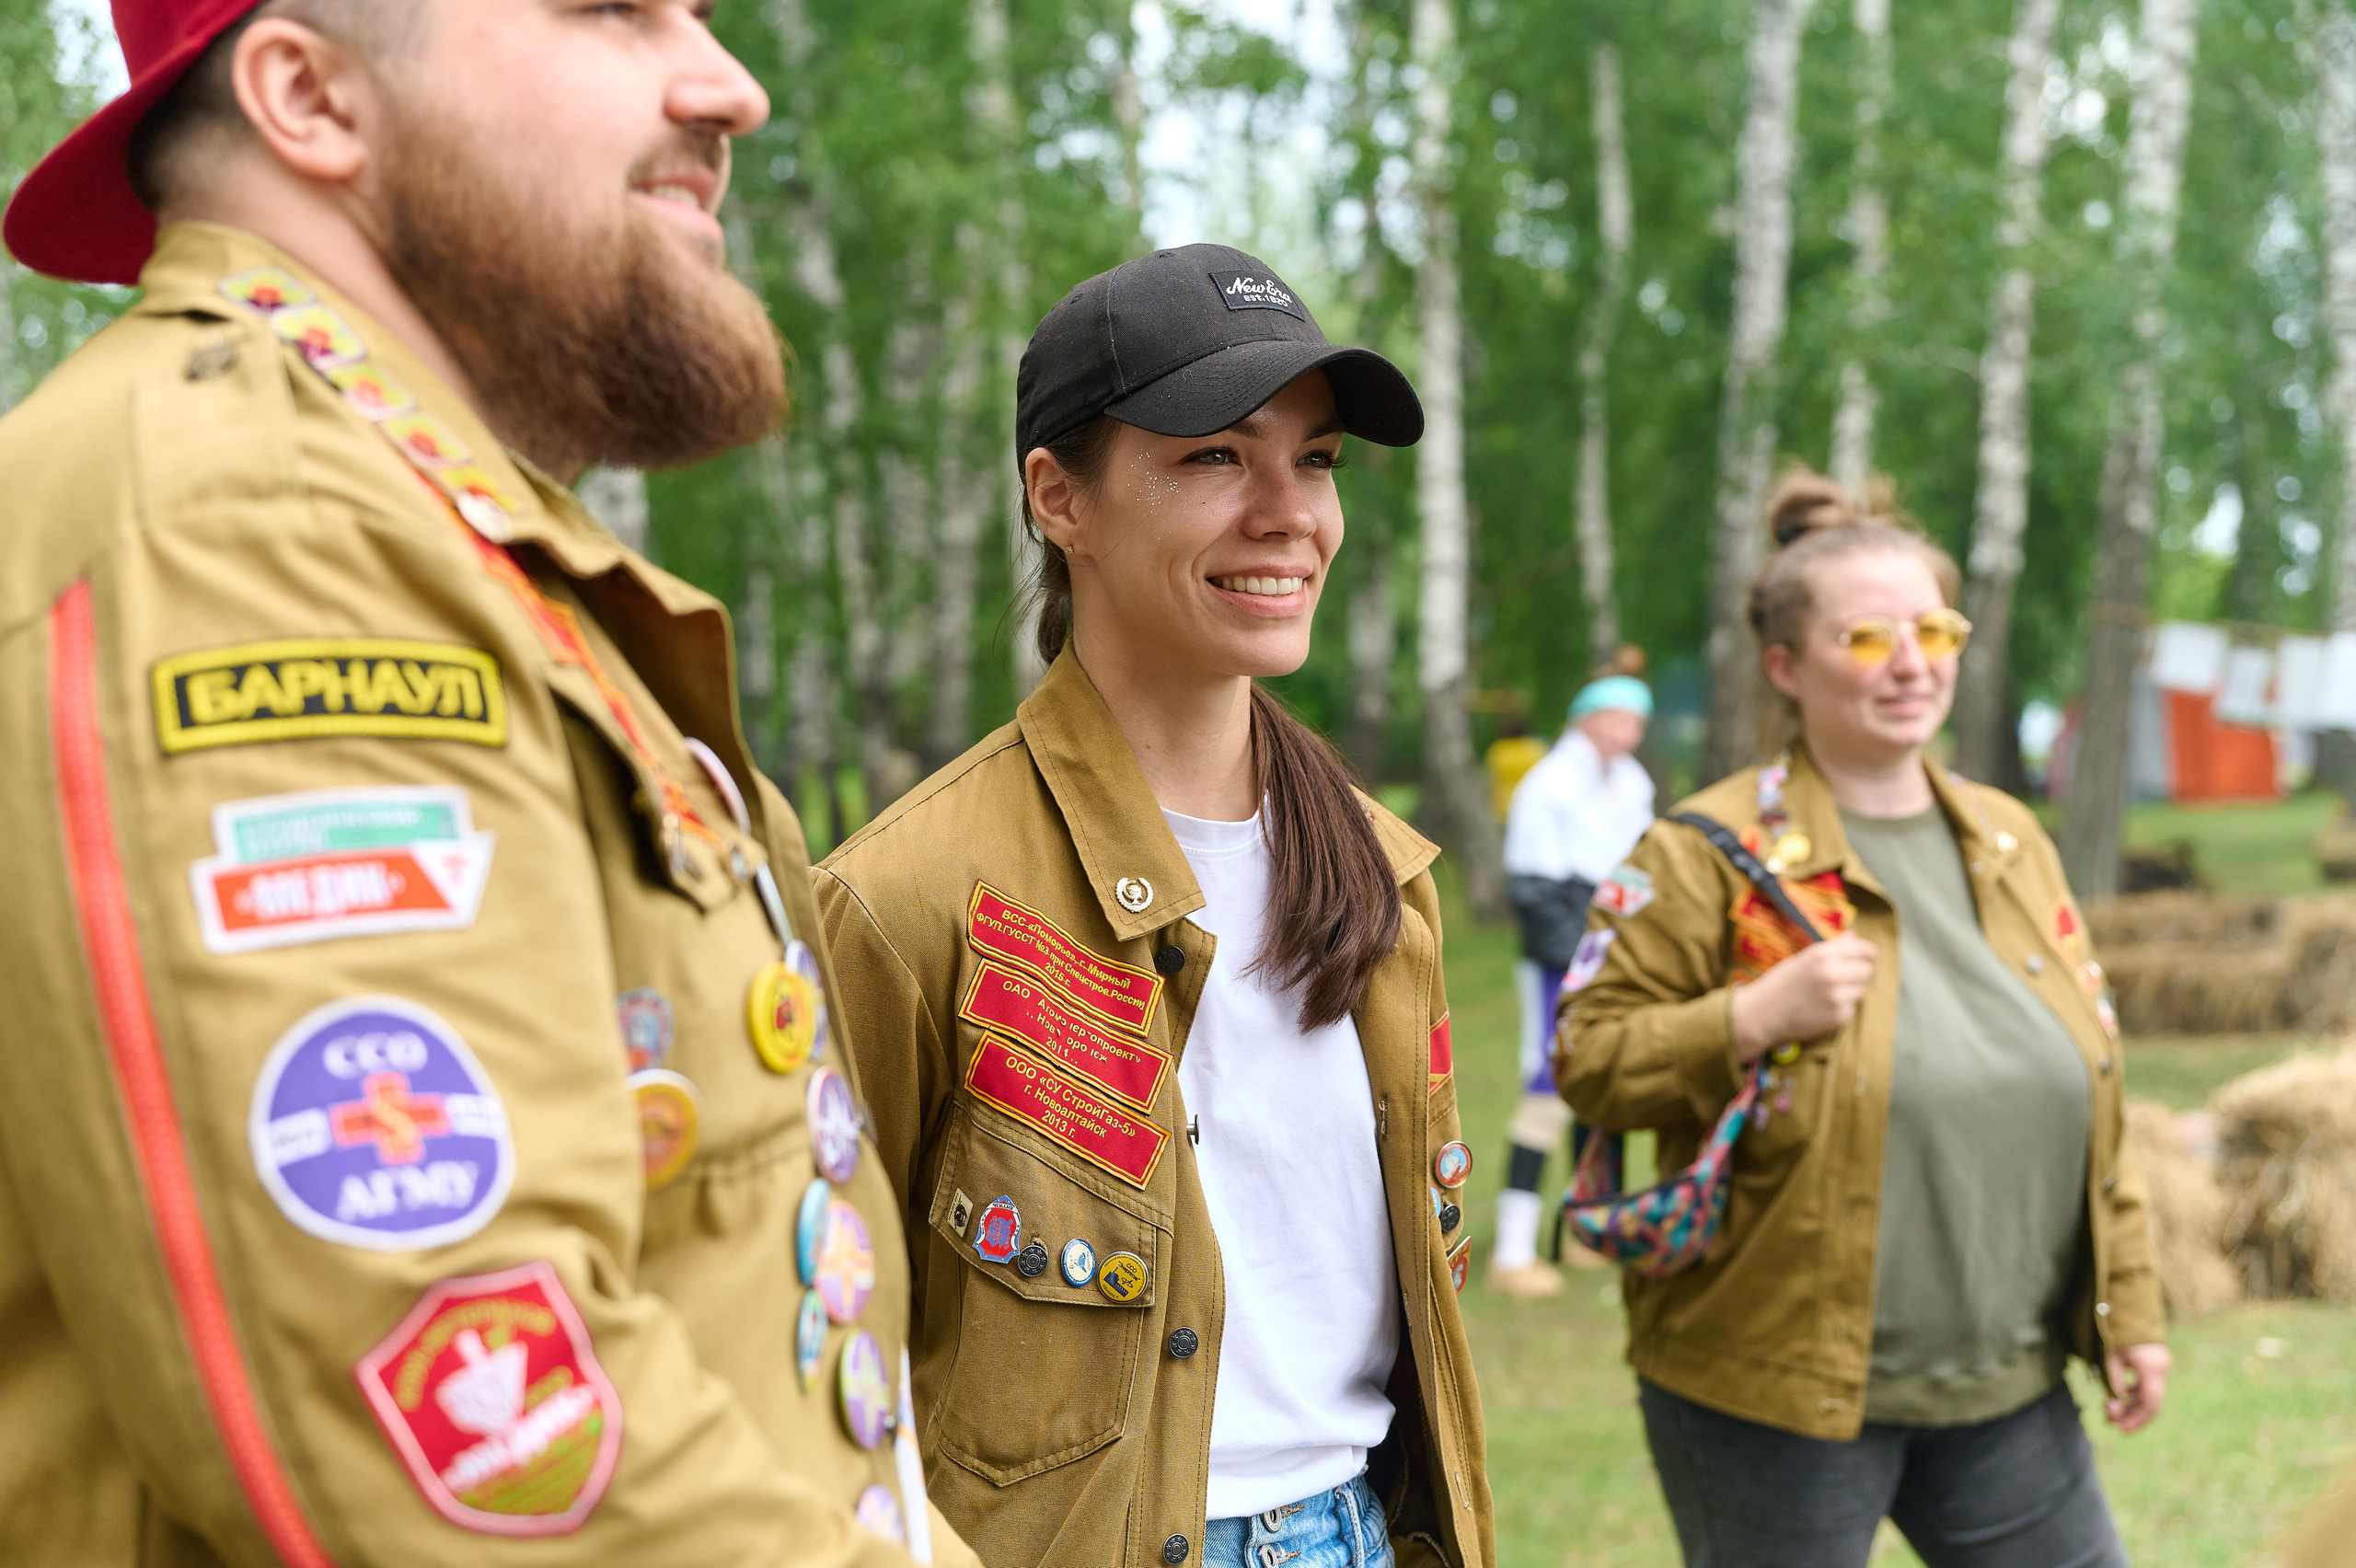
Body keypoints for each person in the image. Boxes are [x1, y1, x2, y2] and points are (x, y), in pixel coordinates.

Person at [0, 4, 972, 1563]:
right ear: (310, 95)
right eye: (609, 8)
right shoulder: (251, 528)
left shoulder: (438, 538)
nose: (731, 88)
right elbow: (491, 1438)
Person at [813, 244, 1494, 1568]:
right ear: (1058, 499)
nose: (1287, 510)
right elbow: (812, 1343)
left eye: (1318, 459)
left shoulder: (1381, 878)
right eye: (1215, 456)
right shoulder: (906, 898)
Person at [1558, 470, 2168, 1568]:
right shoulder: (1698, 855)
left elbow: (2098, 1082)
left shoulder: (2008, 839)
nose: (1909, 663)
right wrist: (1746, 1015)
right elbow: (1588, 1061)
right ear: (1786, 667)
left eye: (1933, 628)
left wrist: (2131, 1303)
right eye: (1866, 636)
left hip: (2005, 1389)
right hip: (1775, 1395)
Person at [1490, 654, 1656, 1297]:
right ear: (1589, 719)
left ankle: (1589, 1227)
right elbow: (1533, 888)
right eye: (1620, 718)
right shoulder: (1549, 783)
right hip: (1564, 950)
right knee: (1549, 1079)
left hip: (1614, 940)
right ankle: (1511, 1250)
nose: (1631, 733)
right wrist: (1583, 956)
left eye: (1638, 721)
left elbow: (1640, 866)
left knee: (1601, 1076)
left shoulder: (1630, 781)